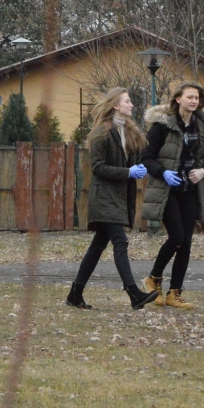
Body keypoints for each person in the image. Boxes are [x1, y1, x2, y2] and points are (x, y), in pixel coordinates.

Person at [65, 88, 159, 310]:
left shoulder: (132, 132)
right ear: (115, 105)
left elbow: (137, 161)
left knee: (97, 246)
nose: (131, 105)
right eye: (127, 101)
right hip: (104, 197)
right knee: (120, 241)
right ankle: (133, 293)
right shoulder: (101, 133)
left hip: (120, 197)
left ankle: (75, 294)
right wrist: (128, 172)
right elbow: (98, 168)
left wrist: (140, 168)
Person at [140, 81, 204, 310]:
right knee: (177, 237)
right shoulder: (162, 125)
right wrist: (163, 172)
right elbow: (145, 157)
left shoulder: (203, 126)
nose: (194, 101)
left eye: (197, 97)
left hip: (190, 190)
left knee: (186, 243)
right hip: (167, 190)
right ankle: (153, 279)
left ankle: (174, 293)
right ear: (178, 99)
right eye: (190, 97)